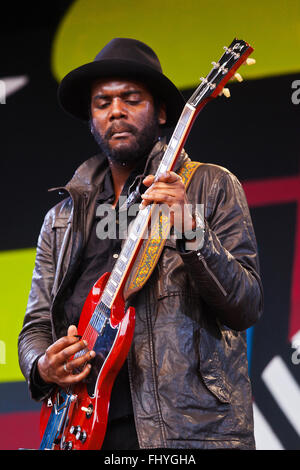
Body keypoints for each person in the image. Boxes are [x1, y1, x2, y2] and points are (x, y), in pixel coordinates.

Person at [18, 38, 263, 450]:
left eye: (132, 98)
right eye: (102, 102)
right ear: (91, 119)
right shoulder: (60, 220)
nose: (116, 110)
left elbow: (246, 304)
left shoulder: (211, 185)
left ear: (162, 110)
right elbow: (36, 328)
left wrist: (189, 229)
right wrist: (43, 365)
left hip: (188, 435)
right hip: (78, 431)